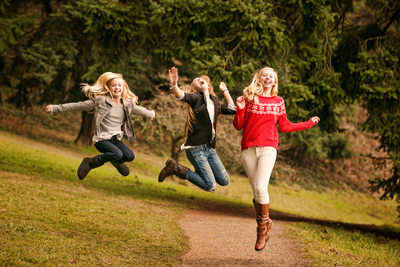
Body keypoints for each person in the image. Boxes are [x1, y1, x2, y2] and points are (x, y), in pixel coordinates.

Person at [233, 67, 320, 251]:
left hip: (268, 148)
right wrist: (240, 109)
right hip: (248, 148)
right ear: (259, 78)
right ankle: (267, 222)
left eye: (271, 76)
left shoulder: (278, 102)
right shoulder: (250, 98)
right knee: (256, 193)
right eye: (265, 75)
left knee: (260, 187)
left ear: (274, 81)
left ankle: (261, 231)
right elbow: (239, 125)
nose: (268, 78)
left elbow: (286, 127)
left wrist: (308, 123)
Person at [46, 72, 155, 180]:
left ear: (124, 87)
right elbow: (78, 105)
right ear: (108, 87)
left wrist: (150, 114)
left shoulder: (126, 104)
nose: (117, 88)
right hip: (101, 139)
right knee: (117, 153)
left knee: (130, 156)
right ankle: (90, 162)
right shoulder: (101, 101)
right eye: (113, 85)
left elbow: (139, 109)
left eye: (119, 85)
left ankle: (116, 162)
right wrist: (55, 108)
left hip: (115, 140)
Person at [158, 67, 236, 192]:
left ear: (209, 86)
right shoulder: (196, 99)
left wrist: (225, 91)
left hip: (209, 149)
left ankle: (200, 174)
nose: (200, 80)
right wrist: (174, 84)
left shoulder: (215, 102)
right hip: (196, 149)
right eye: (196, 80)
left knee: (224, 180)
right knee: (210, 186)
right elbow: (180, 95)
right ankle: (175, 168)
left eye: (202, 80)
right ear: (194, 89)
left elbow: (232, 109)